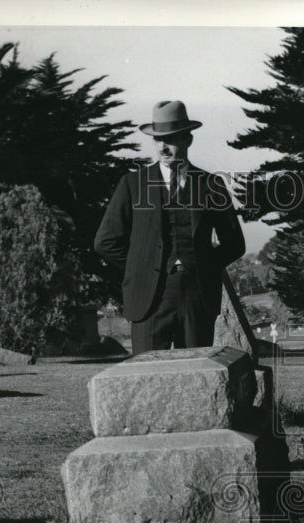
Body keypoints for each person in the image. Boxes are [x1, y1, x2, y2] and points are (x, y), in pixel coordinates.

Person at [95, 100, 244, 355]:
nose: (163, 146)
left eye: (171, 138)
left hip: (197, 298)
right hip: (149, 300)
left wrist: (202, 265)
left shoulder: (211, 185)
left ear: (188, 139)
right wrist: (142, 267)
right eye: (157, 139)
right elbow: (105, 242)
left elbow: (234, 244)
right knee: (146, 378)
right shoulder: (133, 184)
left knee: (198, 376)